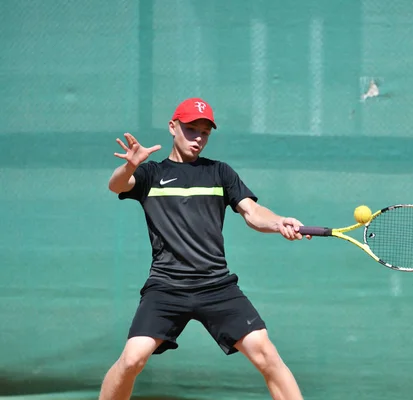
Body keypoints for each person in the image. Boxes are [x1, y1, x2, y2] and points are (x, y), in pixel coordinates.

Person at [99, 97, 310, 400]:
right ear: (173, 127)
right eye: (190, 129)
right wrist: (131, 165)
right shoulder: (152, 175)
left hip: (216, 286)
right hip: (166, 286)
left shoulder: (220, 173)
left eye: (205, 132)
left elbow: (253, 213)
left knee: (266, 354)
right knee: (132, 359)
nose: (198, 138)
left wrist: (278, 223)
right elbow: (117, 185)